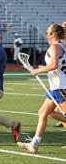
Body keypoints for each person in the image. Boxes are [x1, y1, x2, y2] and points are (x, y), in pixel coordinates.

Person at [17, 24, 66, 154]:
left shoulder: (55, 46)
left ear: (54, 34)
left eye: (48, 33)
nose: (47, 36)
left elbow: (54, 65)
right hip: (56, 87)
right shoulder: (62, 46)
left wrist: (38, 70)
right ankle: (34, 143)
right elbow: (56, 66)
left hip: (61, 87)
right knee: (44, 113)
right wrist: (44, 69)